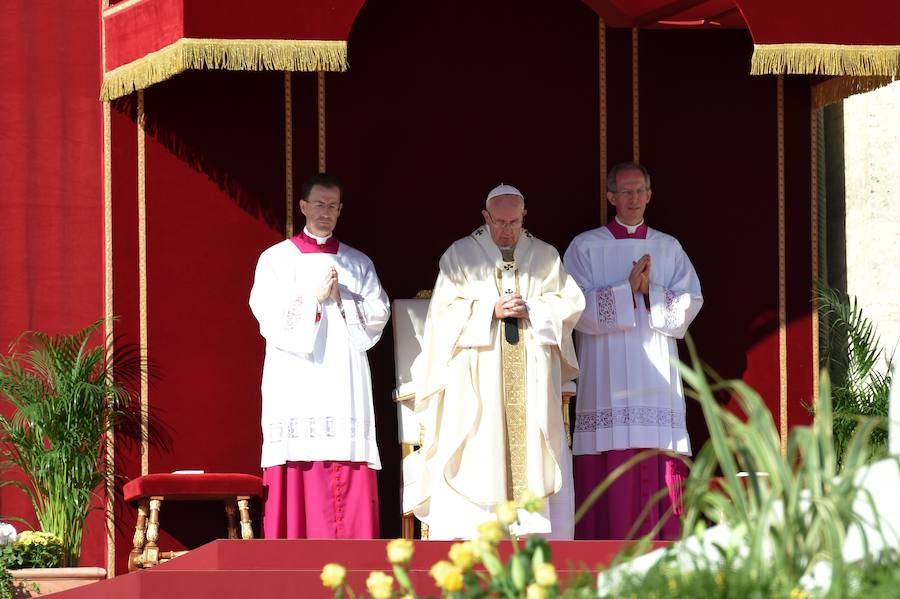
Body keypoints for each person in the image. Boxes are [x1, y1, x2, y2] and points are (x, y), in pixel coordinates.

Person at [404, 184, 585, 539]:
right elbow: (442, 314)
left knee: (533, 447)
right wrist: (489, 309)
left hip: (531, 379)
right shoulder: (461, 255)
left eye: (514, 222)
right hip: (478, 380)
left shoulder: (545, 256)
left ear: (524, 217)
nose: (506, 229)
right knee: (479, 443)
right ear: (486, 218)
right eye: (499, 222)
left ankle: (533, 532)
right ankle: (477, 529)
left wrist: (533, 309)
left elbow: (571, 305)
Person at [563, 162, 703, 540]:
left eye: (639, 191)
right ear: (610, 196)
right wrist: (624, 290)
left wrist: (650, 293)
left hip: (656, 368)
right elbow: (571, 308)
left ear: (650, 195)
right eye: (625, 191)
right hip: (604, 371)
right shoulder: (585, 246)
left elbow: (691, 302)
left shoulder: (668, 247)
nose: (633, 199)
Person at [249, 173, 389, 539]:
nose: (325, 213)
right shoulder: (276, 259)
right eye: (318, 205)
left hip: (344, 376)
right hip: (296, 376)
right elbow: (267, 315)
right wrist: (313, 297)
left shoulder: (358, 263)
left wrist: (343, 298)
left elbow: (378, 315)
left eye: (332, 206)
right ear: (303, 207)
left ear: (340, 210)